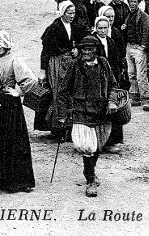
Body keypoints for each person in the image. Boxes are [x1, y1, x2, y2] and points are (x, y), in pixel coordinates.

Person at [57, 35, 118, 198]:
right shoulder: (74, 65)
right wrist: (62, 114)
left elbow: (113, 85)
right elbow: (62, 91)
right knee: (87, 146)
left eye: (90, 49)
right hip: (81, 112)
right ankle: (90, 181)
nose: (86, 52)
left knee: (97, 145)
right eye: (84, 49)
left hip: (101, 112)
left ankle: (88, 169)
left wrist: (112, 101)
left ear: (97, 51)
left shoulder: (104, 64)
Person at [0, 31, 36, 193]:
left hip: (9, 106)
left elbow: (30, 80)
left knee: (11, 141)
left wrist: (18, 92)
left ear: (2, 45)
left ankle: (15, 181)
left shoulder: (15, 61)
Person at [38, 1, 87, 133]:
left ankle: (70, 125)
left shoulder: (75, 26)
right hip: (56, 63)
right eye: (69, 13)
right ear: (62, 13)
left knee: (71, 92)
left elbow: (81, 42)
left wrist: (77, 49)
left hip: (71, 62)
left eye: (73, 13)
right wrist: (42, 70)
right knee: (58, 92)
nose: (72, 16)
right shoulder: (53, 28)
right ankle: (57, 126)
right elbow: (45, 51)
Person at [94, 14, 128, 153]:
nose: (103, 31)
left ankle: (113, 140)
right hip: (98, 81)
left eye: (105, 28)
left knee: (113, 108)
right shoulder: (93, 43)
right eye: (100, 28)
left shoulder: (110, 41)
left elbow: (116, 60)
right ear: (96, 28)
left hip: (111, 80)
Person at [123, 0, 149, 107]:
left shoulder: (144, 16)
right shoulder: (128, 15)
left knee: (141, 75)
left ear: (138, 3)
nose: (132, 4)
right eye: (130, 2)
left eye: (134, 2)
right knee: (131, 73)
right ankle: (135, 96)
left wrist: (144, 45)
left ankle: (146, 99)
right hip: (129, 46)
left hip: (139, 48)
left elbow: (147, 31)